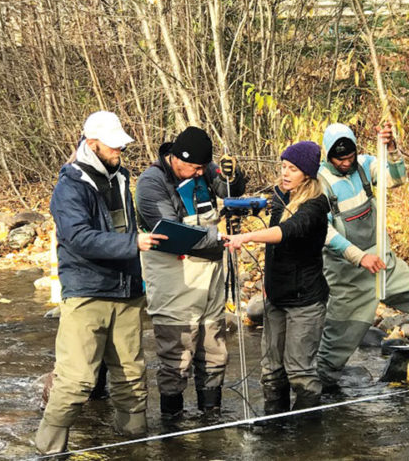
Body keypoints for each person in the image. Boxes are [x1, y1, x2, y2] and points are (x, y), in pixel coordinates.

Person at [36, 111, 165, 454]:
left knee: (132, 379)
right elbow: (78, 238)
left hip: (127, 291)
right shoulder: (69, 186)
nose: (121, 148)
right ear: (92, 144)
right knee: (76, 381)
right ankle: (49, 450)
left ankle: (135, 446)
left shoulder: (121, 176)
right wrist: (132, 244)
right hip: (86, 292)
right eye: (115, 144)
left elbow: (123, 228)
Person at [316, 122, 409, 391]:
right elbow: (324, 233)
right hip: (349, 279)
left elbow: (396, 179)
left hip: (385, 267)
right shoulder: (319, 183)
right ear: (328, 155)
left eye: (350, 156)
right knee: (332, 354)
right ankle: (318, 400)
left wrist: (391, 150)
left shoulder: (364, 165)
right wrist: (358, 257)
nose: (346, 162)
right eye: (339, 158)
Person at [135, 126, 245, 419]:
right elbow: (172, 233)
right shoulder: (151, 184)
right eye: (196, 167)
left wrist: (230, 176)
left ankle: (212, 416)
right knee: (176, 358)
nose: (200, 173)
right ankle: (173, 428)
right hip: (174, 278)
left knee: (214, 352)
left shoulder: (203, 169)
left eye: (204, 168)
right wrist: (219, 238)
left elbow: (230, 192)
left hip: (209, 277)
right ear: (177, 159)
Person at [223, 141, 329, 412]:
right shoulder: (281, 198)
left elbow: (286, 232)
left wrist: (246, 236)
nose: (285, 173)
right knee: (271, 371)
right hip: (276, 297)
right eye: (283, 167)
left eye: (292, 169)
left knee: (299, 372)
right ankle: (276, 429)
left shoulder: (315, 206)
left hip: (305, 301)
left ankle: (306, 437)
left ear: (307, 173)